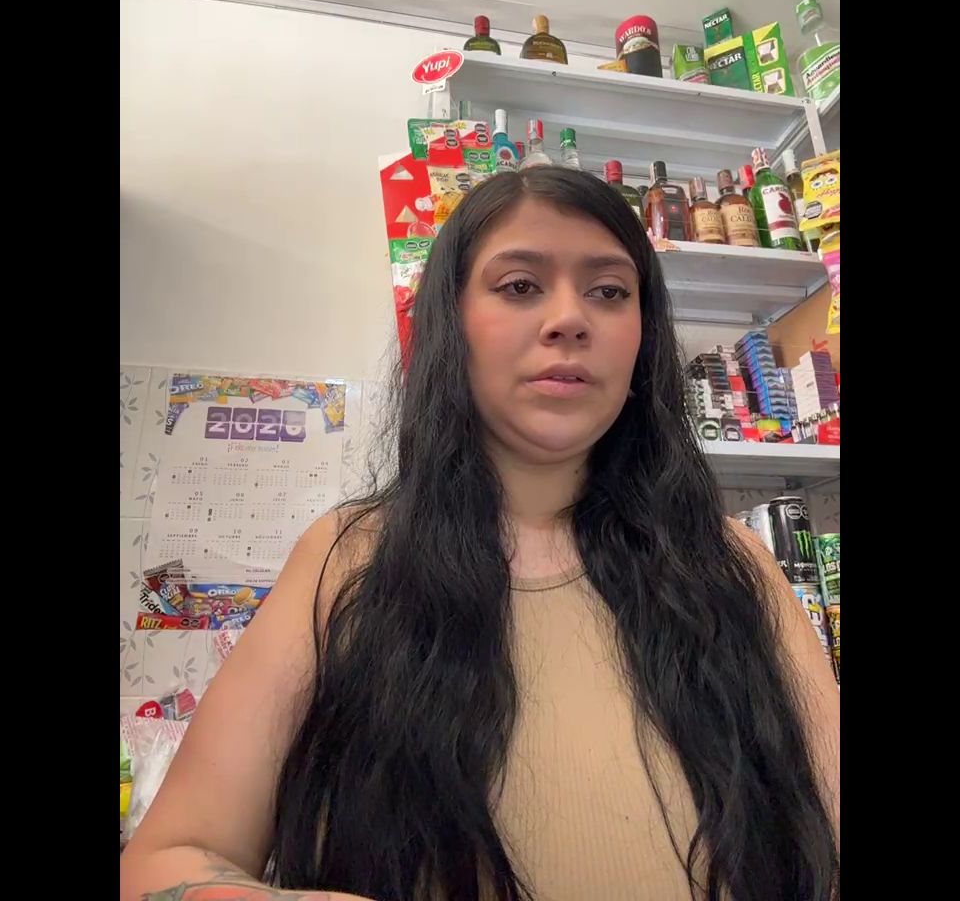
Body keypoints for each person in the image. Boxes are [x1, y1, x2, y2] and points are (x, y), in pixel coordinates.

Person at [120, 166, 840, 901]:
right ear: (451, 327)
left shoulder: (731, 562)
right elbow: (169, 856)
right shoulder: (348, 559)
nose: (571, 319)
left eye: (609, 291)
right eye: (520, 285)